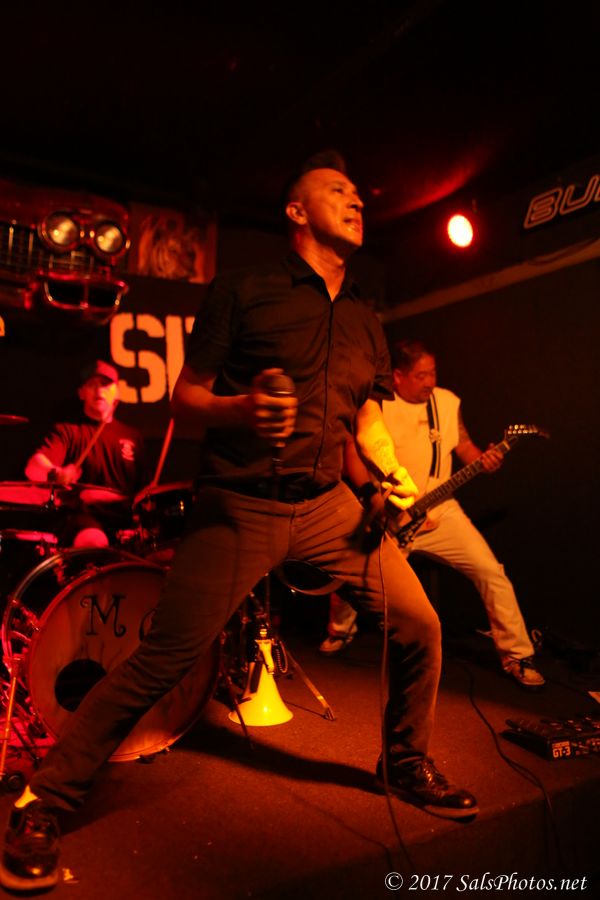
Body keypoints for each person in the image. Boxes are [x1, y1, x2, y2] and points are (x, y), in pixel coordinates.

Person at [0, 152, 477, 893]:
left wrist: (380, 483)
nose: (356, 199)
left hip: (327, 504)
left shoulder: (365, 316)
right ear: (297, 211)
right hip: (241, 502)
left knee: (421, 625)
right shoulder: (245, 290)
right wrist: (243, 408)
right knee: (166, 656)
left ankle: (406, 762)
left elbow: (363, 420)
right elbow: (186, 397)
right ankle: (44, 800)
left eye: (357, 192)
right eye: (337, 190)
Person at [319, 339, 545, 690]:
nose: (430, 382)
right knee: (356, 572)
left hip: (442, 510)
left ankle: (518, 655)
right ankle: (340, 631)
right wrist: (372, 497)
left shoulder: (446, 402)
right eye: (421, 375)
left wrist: (485, 460)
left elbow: (464, 446)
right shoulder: (377, 405)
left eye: (433, 373)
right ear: (397, 376)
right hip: (390, 511)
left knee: (491, 572)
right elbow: (353, 452)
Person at [24, 360, 144, 548]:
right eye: (92, 384)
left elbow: (144, 490)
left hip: (124, 521)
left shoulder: (133, 437)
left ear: (118, 392)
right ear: (81, 393)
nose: (99, 390)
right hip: (81, 519)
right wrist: (56, 474)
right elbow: (33, 467)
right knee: (94, 540)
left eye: (105, 385)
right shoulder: (67, 431)